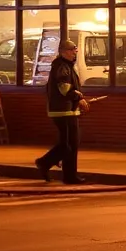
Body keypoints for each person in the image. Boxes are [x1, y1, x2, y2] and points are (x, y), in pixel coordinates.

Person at [35, 38, 89, 185]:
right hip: (62, 110)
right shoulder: (62, 67)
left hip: (67, 110)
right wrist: (79, 98)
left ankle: (67, 175)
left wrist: (77, 100)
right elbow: (65, 88)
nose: (75, 53)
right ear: (64, 52)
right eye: (72, 50)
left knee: (70, 144)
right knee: (68, 144)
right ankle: (45, 163)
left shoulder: (66, 66)